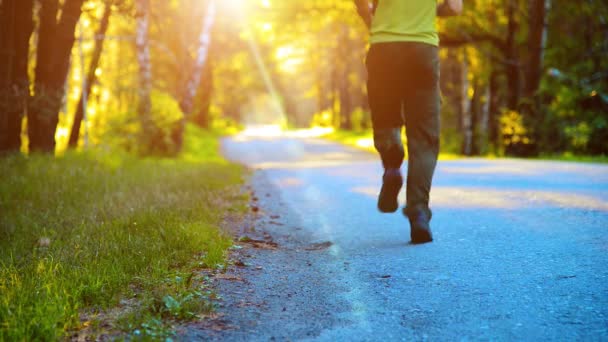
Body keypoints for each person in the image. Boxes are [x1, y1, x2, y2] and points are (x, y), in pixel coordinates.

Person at [355, 0, 463, 244]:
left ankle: (392, 166)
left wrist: (371, 20)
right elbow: (455, 7)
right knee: (424, 136)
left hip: (383, 48)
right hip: (422, 48)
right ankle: (418, 211)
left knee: (385, 117)